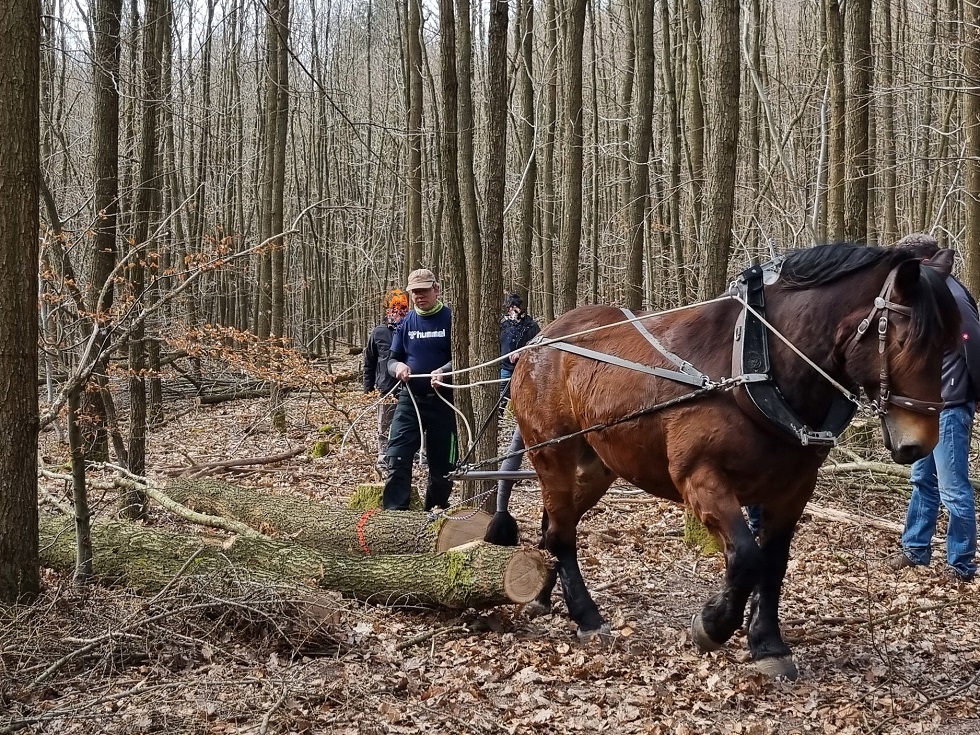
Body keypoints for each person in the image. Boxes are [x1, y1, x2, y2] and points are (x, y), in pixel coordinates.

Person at [889, 233, 980, 583]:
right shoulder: (931, 293)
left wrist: (971, 394)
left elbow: (974, 346)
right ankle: (915, 549)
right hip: (927, 405)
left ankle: (961, 565)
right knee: (922, 479)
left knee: (953, 488)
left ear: (923, 263)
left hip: (951, 406)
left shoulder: (953, 296)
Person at [383, 268, 458, 511]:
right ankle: (396, 516)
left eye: (424, 291)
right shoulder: (406, 323)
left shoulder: (450, 318)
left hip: (444, 400)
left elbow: (464, 357)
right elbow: (391, 360)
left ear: (436, 289)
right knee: (396, 456)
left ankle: (433, 513)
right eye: (414, 292)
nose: (419, 296)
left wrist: (445, 370)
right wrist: (399, 368)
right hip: (410, 398)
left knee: (443, 466)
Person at [363, 289, 409, 472]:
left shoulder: (410, 329)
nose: (398, 314)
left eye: (402, 310)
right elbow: (369, 362)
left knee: (408, 422)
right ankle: (383, 455)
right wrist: (368, 389)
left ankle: (409, 452)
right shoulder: (378, 333)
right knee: (384, 423)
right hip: (385, 388)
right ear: (388, 311)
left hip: (408, 386)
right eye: (395, 310)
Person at [499, 292, 540, 406]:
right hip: (505, 369)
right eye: (509, 307)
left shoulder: (531, 326)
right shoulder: (503, 325)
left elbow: (537, 348)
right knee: (501, 401)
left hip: (525, 369)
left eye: (513, 307)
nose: (511, 310)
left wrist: (521, 353)